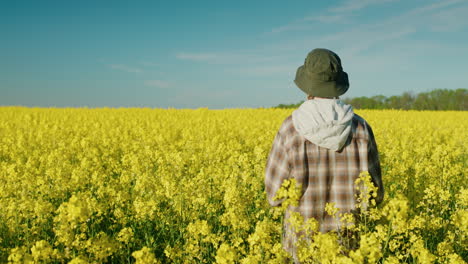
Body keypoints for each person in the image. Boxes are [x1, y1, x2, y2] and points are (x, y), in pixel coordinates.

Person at [264, 48, 384, 262]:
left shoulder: (290, 129)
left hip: (302, 247)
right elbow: (374, 196)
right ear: (338, 85)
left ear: (307, 85)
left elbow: (274, 196)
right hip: (348, 250)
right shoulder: (361, 129)